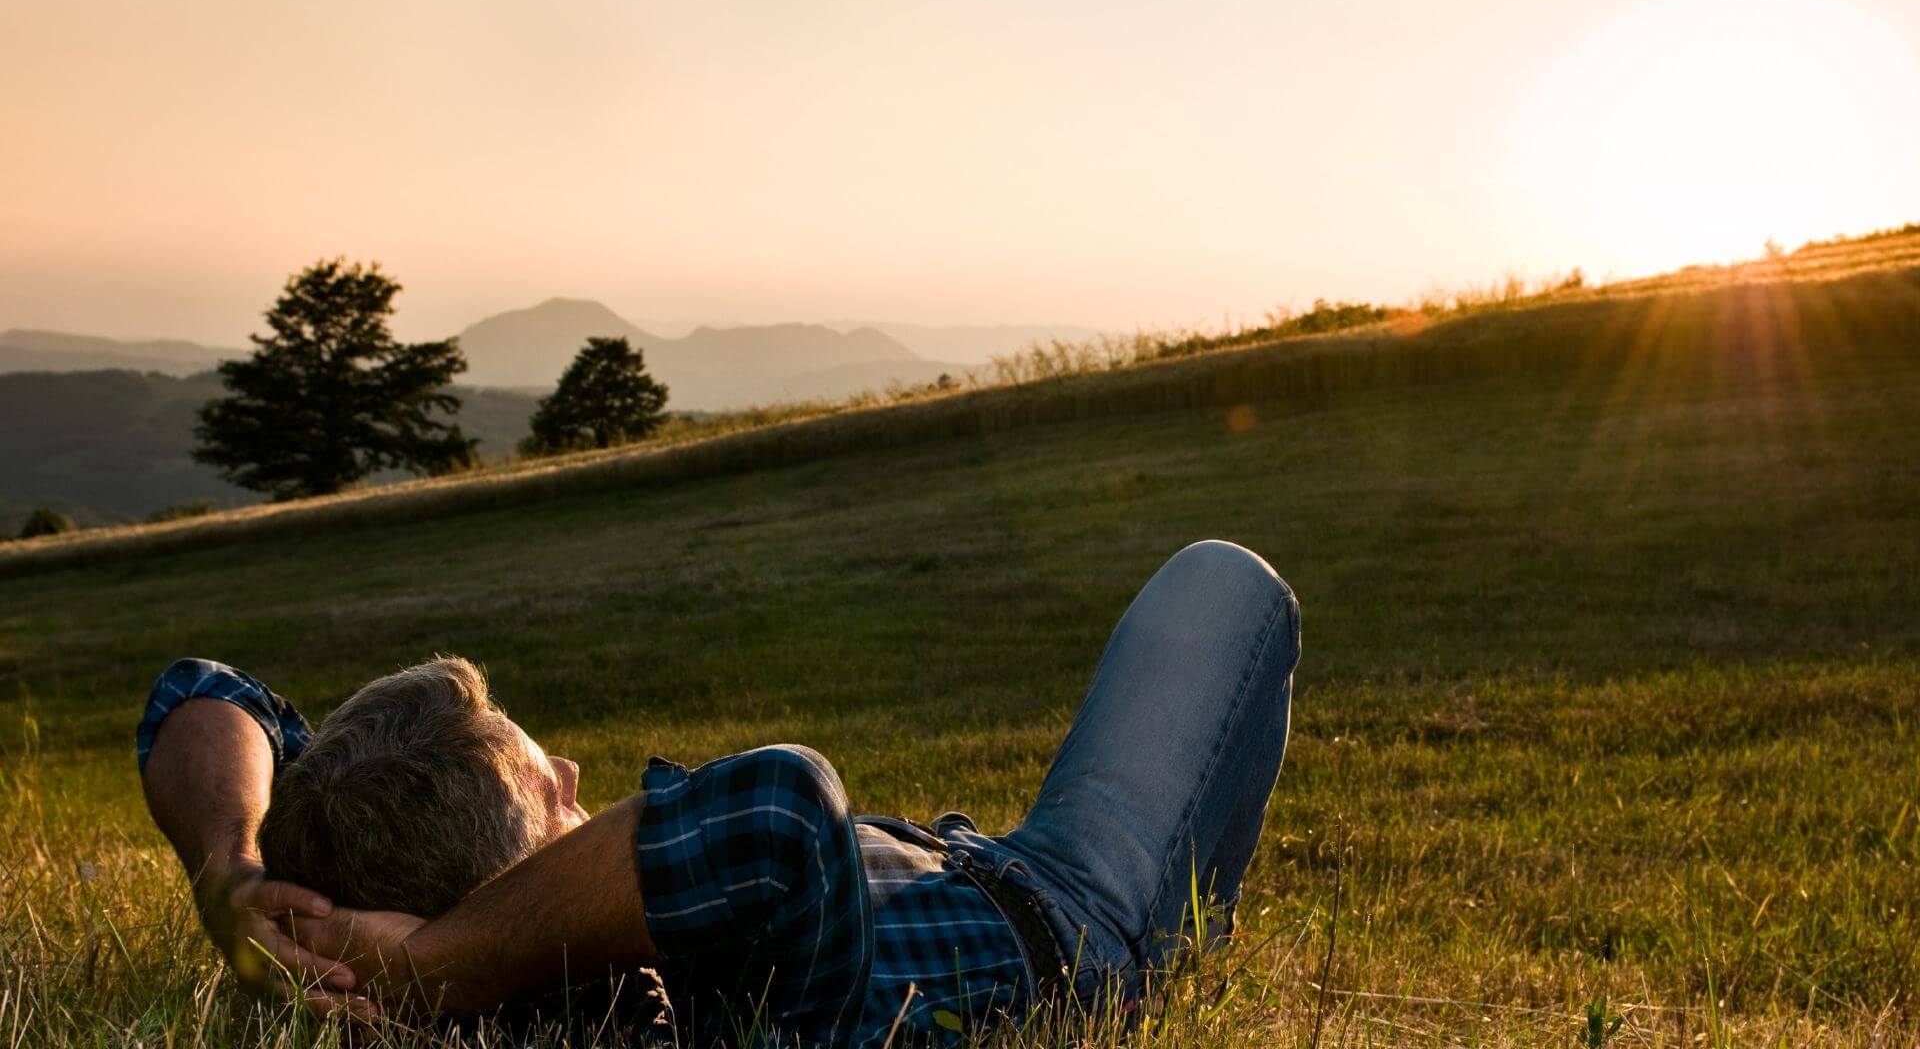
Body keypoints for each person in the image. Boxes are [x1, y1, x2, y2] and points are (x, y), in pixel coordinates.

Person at [139, 540, 1302, 1046]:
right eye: (552, 788)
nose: (578, 774)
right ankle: (1178, 939)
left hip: (960, 857)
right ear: (508, 890)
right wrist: (438, 965)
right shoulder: (649, 999)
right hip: (1071, 918)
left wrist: (230, 872)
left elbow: (202, 687)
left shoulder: (346, 866)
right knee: (1225, 587)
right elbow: (784, 805)